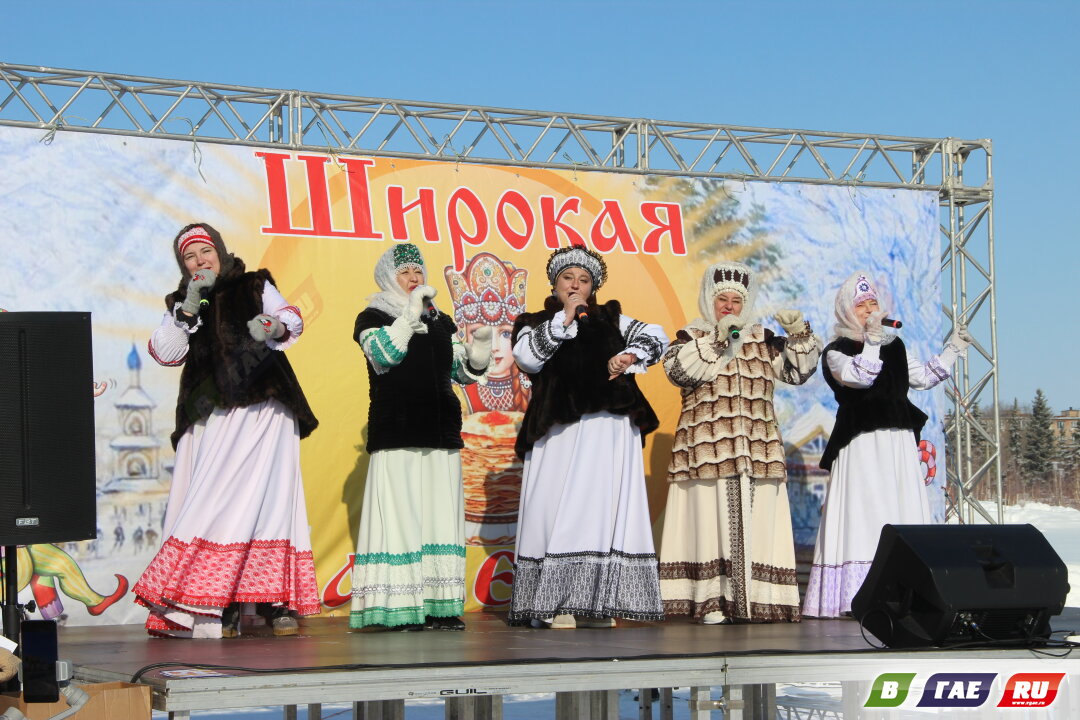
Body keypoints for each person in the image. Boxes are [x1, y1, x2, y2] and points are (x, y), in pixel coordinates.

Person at [133, 223, 320, 638]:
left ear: (219, 251)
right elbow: (165, 352)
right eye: (190, 257)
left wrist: (273, 326)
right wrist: (189, 307)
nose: (200, 261)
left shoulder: (253, 285)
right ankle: (220, 599)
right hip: (212, 413)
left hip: (265, 406)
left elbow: (290, 318)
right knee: (214, 502)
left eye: (205, 252)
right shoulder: (182, 303)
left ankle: (275, 600)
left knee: (271, 499)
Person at [507, 245, 668, 629]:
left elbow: (656, 336)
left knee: (602, 510)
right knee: (557, 507)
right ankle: (555, 602)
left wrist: (629, 356)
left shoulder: (612, 318)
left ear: (593, 287)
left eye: (583, 280)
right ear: (555, 284)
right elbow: (527, 358)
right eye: (568, 278)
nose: (576, 285)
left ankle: (595, 603)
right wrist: (563, 318)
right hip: (561, 430)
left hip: (609, 429)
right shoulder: (534, 321)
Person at [659, 261, 821, 624]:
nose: (729, 307)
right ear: (710, 301)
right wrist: (717, 340)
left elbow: (799, 372)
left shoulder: (763, 339)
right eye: (722, 300)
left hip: (757, 449)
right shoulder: (691, 337)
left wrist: (798, 336)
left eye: (736, 300)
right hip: (707, 450)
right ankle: (711, 601)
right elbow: (678, 372)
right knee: (709, 525)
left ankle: (760, 600)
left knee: (759, 526)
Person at [802, 271, 971, 618]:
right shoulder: (836, 351)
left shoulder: (896, 346)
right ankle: (856, 596)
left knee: (899, 506)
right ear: (847, 311)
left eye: (873, 303)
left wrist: (953, 349)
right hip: (862, 443)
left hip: (897, 442)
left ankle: (905, 592)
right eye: (861, 306)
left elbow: (923, 377)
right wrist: (872, 342)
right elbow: (859, 378)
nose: (869, 311)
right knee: (865, 511)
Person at [350, 243, 492, 631]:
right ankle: (397, 606)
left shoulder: (440, 320)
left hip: (440, 430)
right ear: (388, 277)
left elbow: (461, 372)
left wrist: (479, 352)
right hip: (397, 428)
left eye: (418, 272)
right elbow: (384, 354)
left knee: (439, 518)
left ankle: (439, 607)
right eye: (405, 273)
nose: (414, 279)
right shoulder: (373, 315)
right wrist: (410, 313)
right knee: (400, 517)